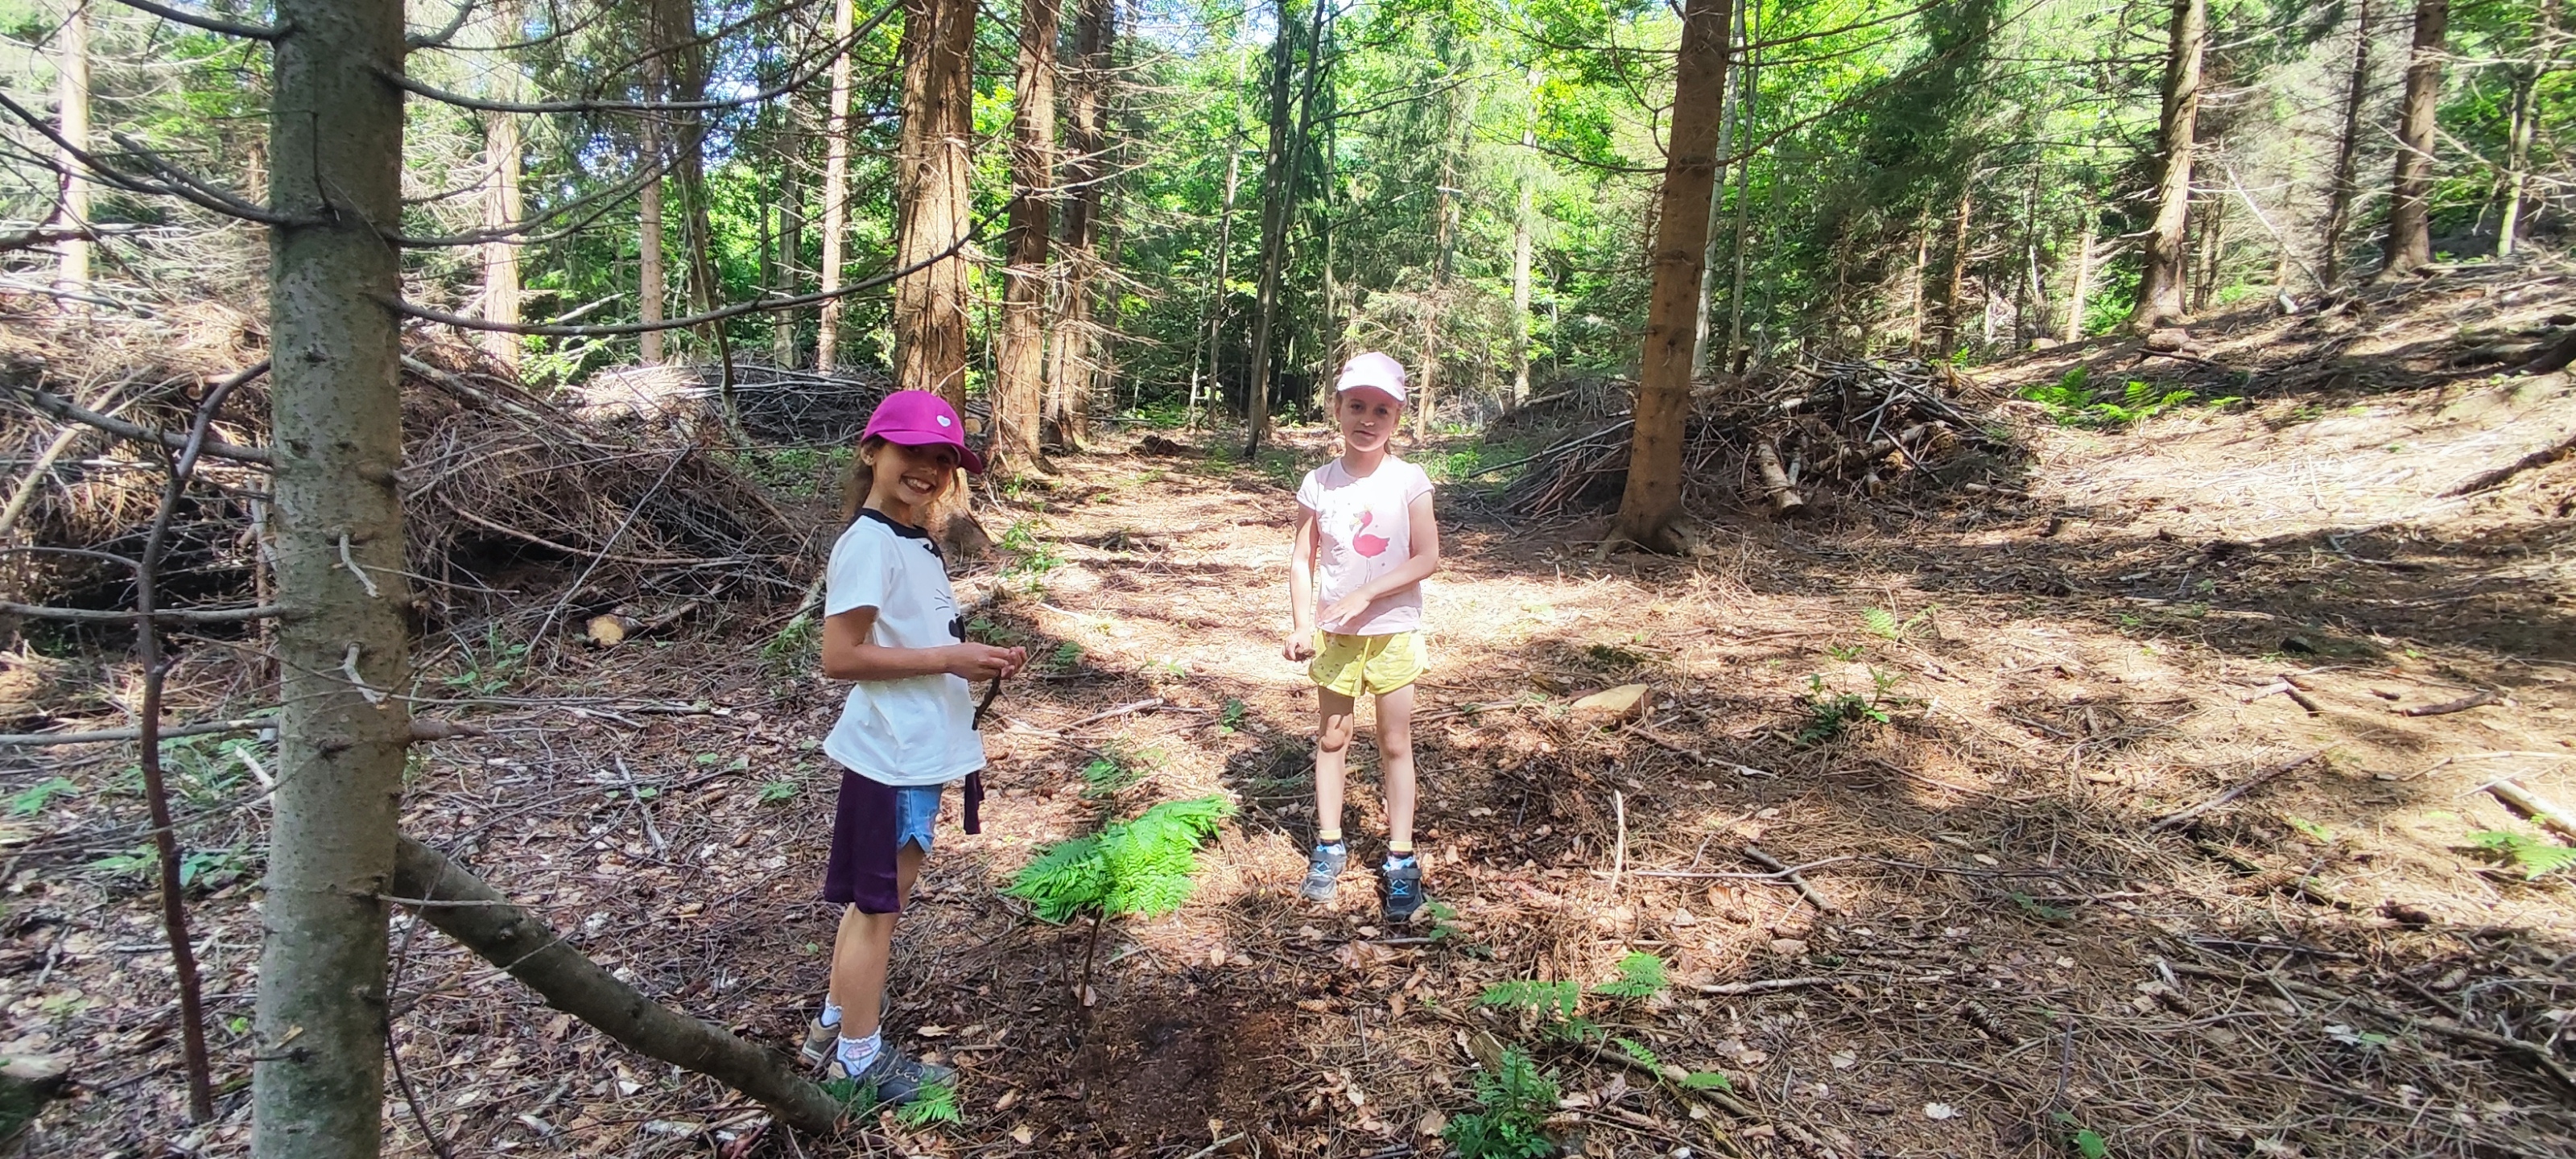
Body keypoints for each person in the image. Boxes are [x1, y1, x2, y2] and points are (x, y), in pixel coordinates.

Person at [798, 390, 1025, 1103]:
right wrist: (950, 660)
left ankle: (832, 1025)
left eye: (941, 459)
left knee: (874, 902)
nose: (926, 469)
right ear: (872, 452)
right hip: (893, 757)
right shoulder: (869, 543)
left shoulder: (911, 539)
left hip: (917, 749)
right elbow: (841, 656)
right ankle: (858, 1061)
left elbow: (912, 641)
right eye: (911, 452)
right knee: (878, 909)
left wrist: (972, 658)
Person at [1282, 351, 1443, 922]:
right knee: (1333, 737)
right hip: (1337, 639)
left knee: (1395, 742)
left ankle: (1400, 856)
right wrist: (1303, 623)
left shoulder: (1409, 481)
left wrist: (1367, 595)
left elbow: (1427, 557)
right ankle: (1329, 846)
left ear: (1397, 418)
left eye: (1381, 410)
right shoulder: (1319, 483)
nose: (1367, 420)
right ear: (1337, 409)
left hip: (1393, 634)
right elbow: (1302, 559)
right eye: (1356, 406)